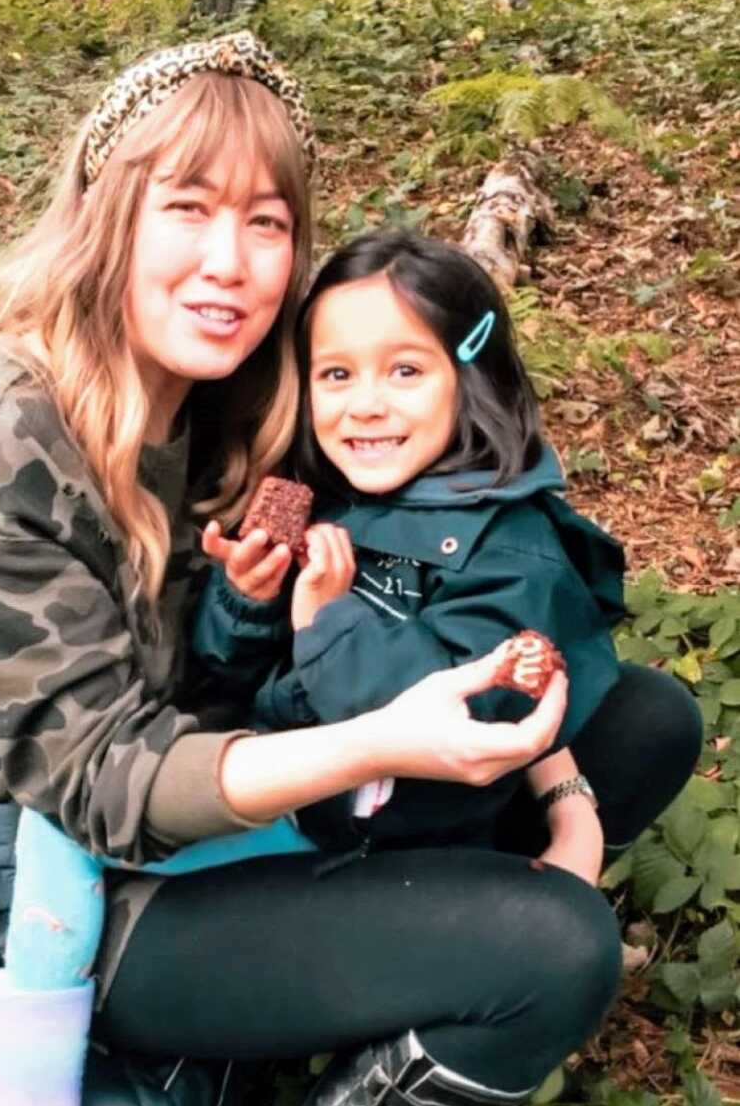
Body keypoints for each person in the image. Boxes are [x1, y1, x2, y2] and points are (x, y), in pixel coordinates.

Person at [0, 33, 702, 1106]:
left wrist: (563, 783)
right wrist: (384, 743)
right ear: (104, 213)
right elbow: (97, 783)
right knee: (557, 942)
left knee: (641, 717)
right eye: (187, 208)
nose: (231, 260)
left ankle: (375, 972)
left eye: (266, 220)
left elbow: (439, 517)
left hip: (261, 808)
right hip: (88, 896)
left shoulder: (246, 390)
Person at [194, 230, 624, 886]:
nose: (366, 405)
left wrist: (328, 623)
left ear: (469, 376)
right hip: (283, 808)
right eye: (337, 374)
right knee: (65, 837)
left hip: (398, 860)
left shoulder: (515, 550)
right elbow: (224, 685)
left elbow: (470, 715)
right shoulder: (325, 500)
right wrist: (246, 601)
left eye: (405, 371)